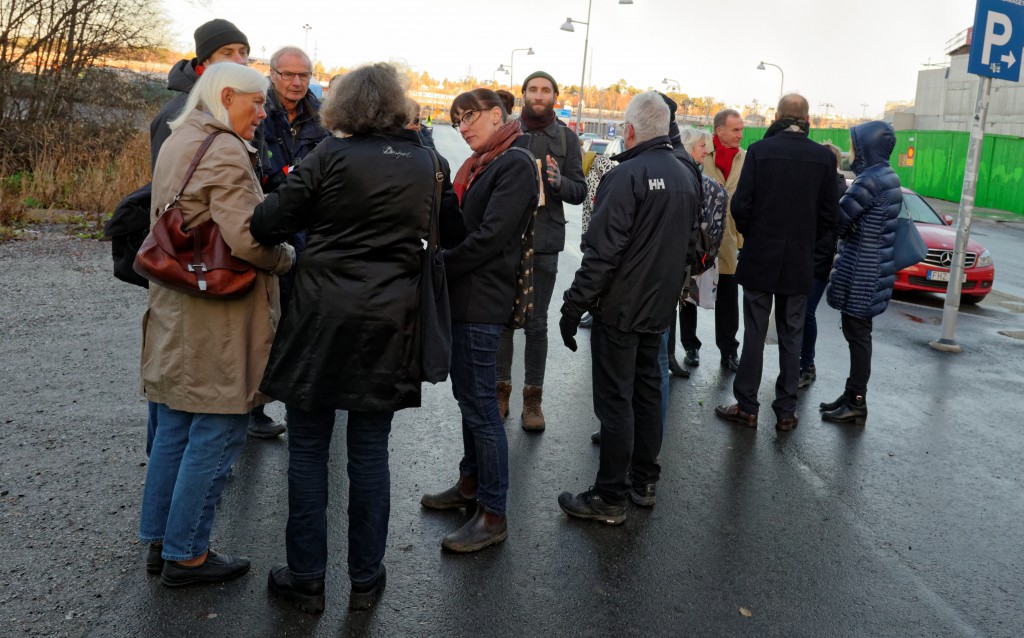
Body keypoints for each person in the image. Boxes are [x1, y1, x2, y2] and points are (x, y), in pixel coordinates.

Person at [250, 62, 461, 613]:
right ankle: (365, 581)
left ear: (343, 107)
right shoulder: (429, 163)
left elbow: (268, 221)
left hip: (320, 316)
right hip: (391, 322)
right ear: (396, 104)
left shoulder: (328, 155)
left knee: (310, 450)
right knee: (369, 454)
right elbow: (454, 232)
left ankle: (307, 577)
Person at [138, 63, 295, 587]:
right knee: (219, 428)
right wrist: (288, 259)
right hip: (218, 312)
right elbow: (248, 238)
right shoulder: (224, 147)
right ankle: (188, 555)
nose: (263, 114)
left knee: (176, 430)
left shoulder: (182, 135)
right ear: (227, 96)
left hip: (178, 302)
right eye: (257, 103)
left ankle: (162, 541)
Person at [558, 91, 700, 523]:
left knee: (616, 402)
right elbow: (692, 246)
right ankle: (644, 480)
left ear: (631, 129)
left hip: (620, 308)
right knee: (647, 394)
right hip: (658, 309)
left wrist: (571, 306)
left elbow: (601, 254)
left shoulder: (627, 175)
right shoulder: (685, 173)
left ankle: (610, 496)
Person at [420, 88, 538, 551]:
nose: (463, 127)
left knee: (484, 409)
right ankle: (470, 485)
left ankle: (493, 513)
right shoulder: (483, 163)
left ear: (496, 114)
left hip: (482, 302)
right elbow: (464, 226)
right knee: (471, 401)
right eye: (456, 121)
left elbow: (490, 239)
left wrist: (438, 264)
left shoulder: (514, 164)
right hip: (467, 299)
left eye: (469, 117)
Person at [713, 94, 838, 431]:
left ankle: (747, 407)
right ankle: (785, 411)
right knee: (791, 335)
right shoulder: (823, 158)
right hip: (799, 262)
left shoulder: (759, 152)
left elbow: (740, 206)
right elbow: (830, 216)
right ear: (807, 118)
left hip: (760, 258)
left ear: (779, 116)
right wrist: (807, 244)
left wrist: (756, 235)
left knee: (754, 333)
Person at [247, 45, 331, 439]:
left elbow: (327, 174)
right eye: (289, 74)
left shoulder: (324, 118)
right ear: (272, 74)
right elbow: (258, 171)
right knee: (262, 322)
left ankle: (303, 400)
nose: (297, 82)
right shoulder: (257, 110)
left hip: (309, 232)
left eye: (304, 75)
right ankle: (254, 407)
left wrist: (289, 175)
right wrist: (292, 175)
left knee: (303, 321)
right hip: (264, 223)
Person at [495, 70, 586, 432]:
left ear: (554, 97)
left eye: (545, 90)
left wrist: (558, 182)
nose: (539, 94)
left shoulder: (566, 138)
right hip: (506, 241)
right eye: (533, 89)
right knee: (503, 319)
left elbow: (579, 190)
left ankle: (533, 400)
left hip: (546, 242)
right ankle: (500, 391)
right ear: (523, 95)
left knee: (536, 323)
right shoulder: (507, 133)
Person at [820, 121, 902, 425]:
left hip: (862, 271)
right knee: (858, 334)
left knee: (858, 335)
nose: (851, 150)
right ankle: (852, 393)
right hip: (871, 268)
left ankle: (856, 400)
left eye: (854, 144)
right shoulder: (887, 176)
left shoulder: (871, 180)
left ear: (867, 146)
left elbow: (840, 218)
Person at [681, 109, 745, 372]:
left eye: (741, 129)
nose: (740, 134)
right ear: (719, 131)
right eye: (735, 130)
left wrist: (742, 239)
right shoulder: (701, 154)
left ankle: (729, 351)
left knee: (729, 297)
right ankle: (690, 347)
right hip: (699, 239)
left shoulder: (746, 159)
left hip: (729, 240)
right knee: (690, 293)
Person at [150, 19, 251, 170]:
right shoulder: (174, 115)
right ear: (206, 62)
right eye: (227, 53)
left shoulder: (250, 108)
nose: (240, 60)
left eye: (243, 52)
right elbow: (166, 183)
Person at [668, 126, 728, 378]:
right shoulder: (684, 177)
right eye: (703, 146)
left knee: (681, 301)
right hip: (678, 254)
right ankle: (668, 357)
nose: (707, 151)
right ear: (690, 146)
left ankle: (674, 353)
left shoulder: (698, 178)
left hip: (690, 255)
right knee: (672, 304)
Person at [799, 142, 848, 388]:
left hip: (820, 260)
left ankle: (806, 365)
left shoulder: (838, 188)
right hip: (807, 257)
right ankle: (803, 363)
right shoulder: (818, 185)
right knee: (801, 313)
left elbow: (836, 224)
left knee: (806, 313)